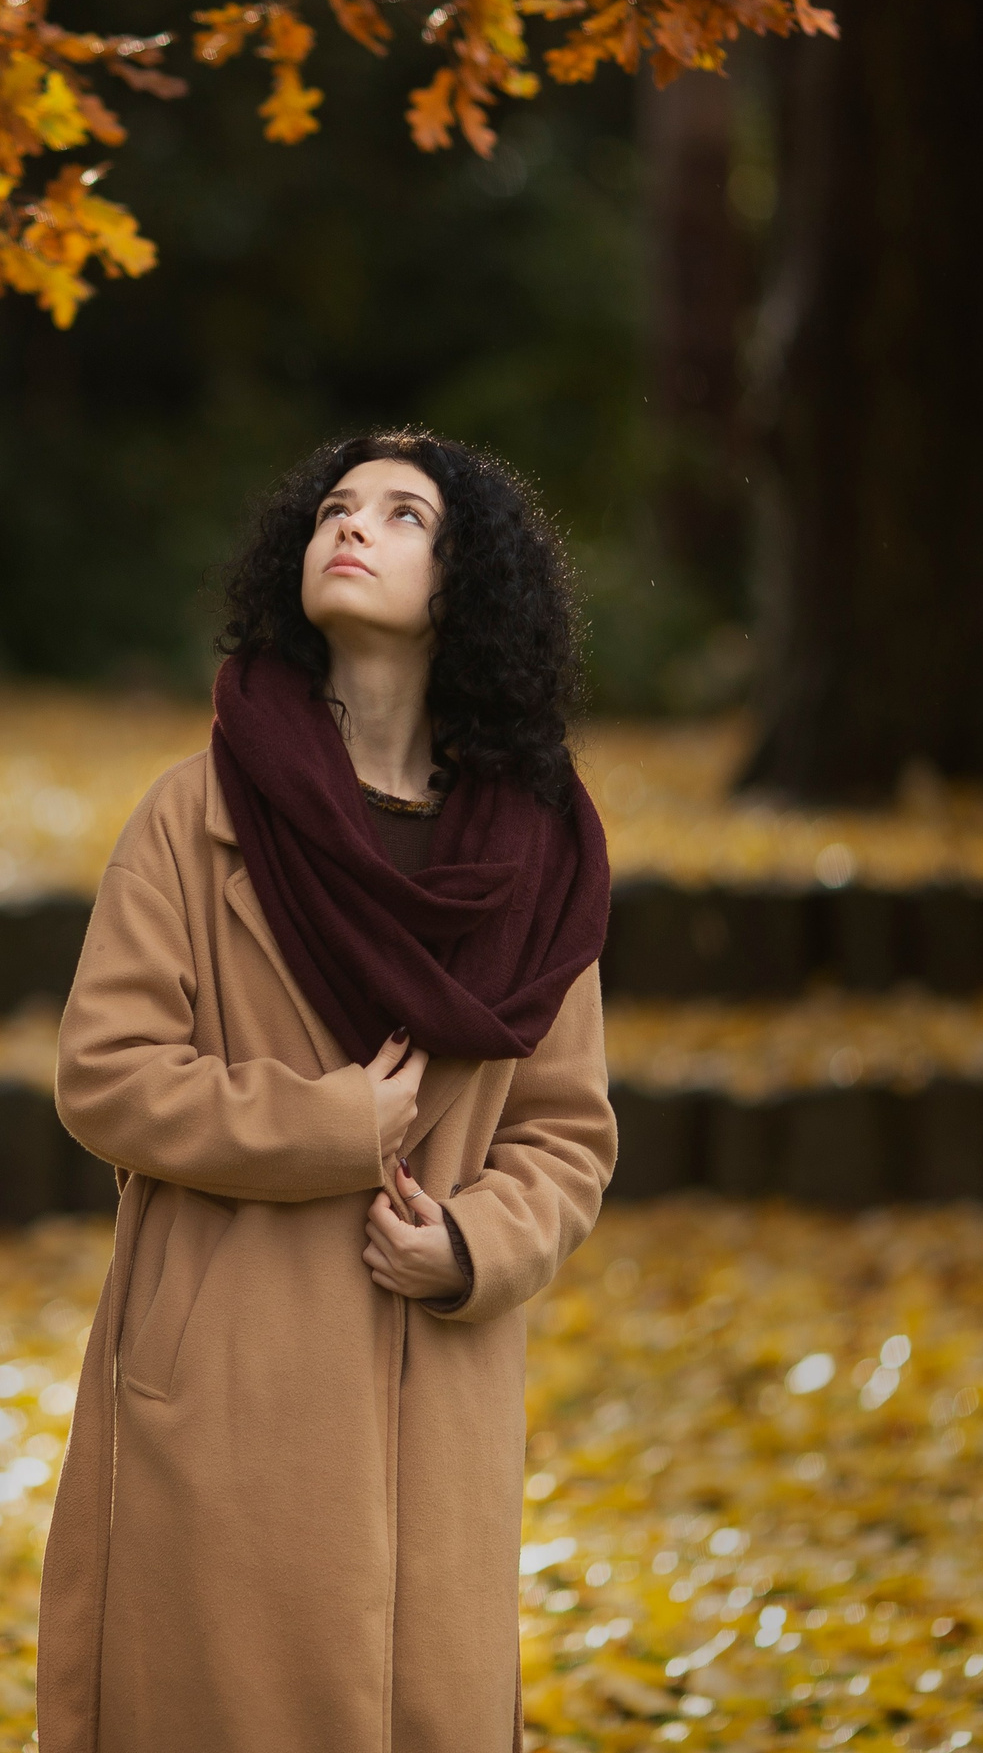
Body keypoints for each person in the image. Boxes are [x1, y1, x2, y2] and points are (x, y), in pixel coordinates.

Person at [35, 431, 616, 1753]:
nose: (352, 527)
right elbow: (105, 1074)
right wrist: (326, 1128)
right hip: (227, 1388)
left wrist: (472, 1244)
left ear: (469, 583)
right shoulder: (197, 815)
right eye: (334, 510)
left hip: (438, 1409)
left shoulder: (543, 851)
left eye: (405, 514)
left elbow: (567, 1135)